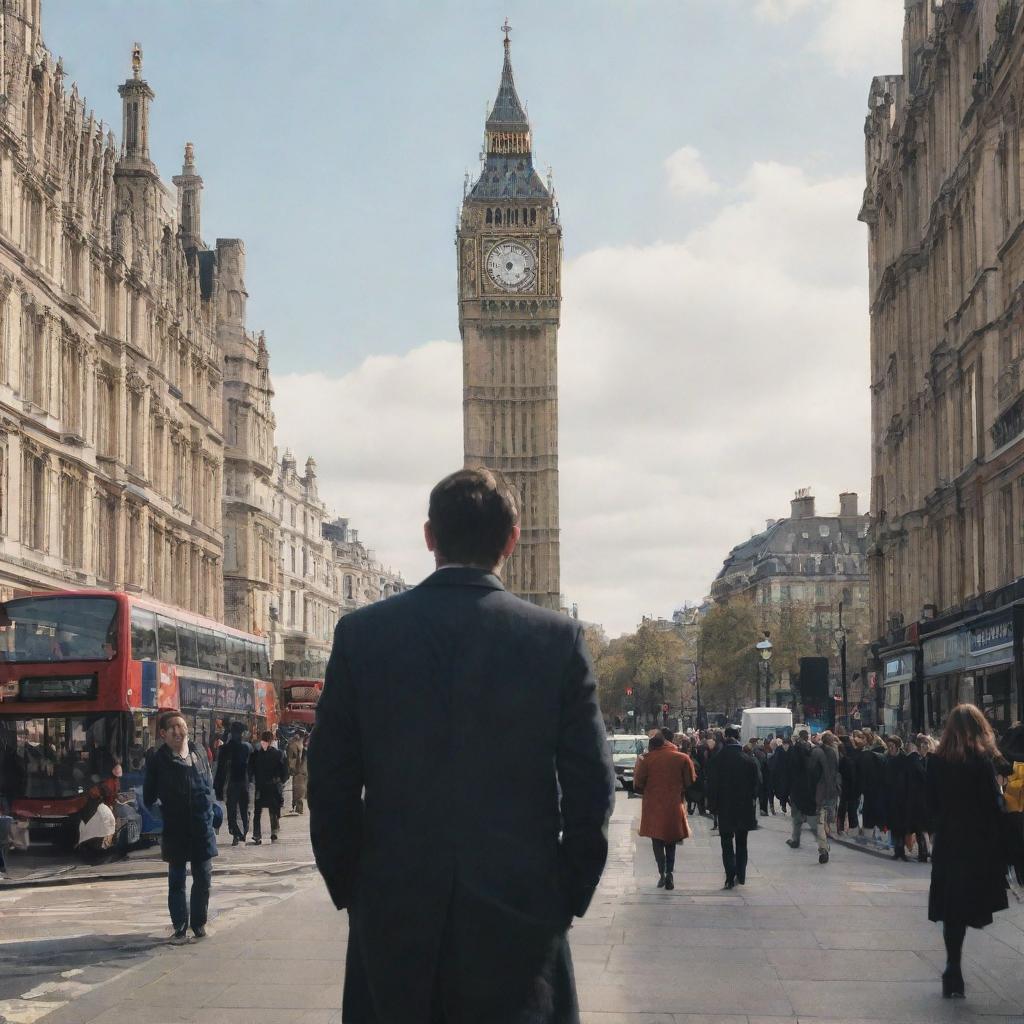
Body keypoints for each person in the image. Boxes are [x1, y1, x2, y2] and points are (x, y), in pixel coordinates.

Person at [308, 467, 615, 1024]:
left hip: (394, 909)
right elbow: (593, 788)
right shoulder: (557, 640)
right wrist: (564, 894)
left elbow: (328, 780)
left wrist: (356, 886)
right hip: (522, 913)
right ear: (513, 540)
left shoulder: (363, 635)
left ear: (430, 536)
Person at [927, 704, 1009, 999]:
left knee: (952, 909)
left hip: (949, 843)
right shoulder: (981, 761)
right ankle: (954, 965)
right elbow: (993, 806)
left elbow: (931, 804)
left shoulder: (936, 762)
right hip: (977, 844)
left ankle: (953, 964)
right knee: (970, 901)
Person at [143, 711, 218, 944]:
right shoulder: (158, 759)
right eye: (173, 728)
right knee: (177, 880)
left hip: (201, 827)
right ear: (164, 734)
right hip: (175, 830)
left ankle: (199, 923)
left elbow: (209, 785)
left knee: (203, 877)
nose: (178, 731)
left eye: (181, 726)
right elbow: (148, 796)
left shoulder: (198, 752)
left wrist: (211, 809)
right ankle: (179, 926)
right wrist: (165, 812)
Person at [633, 733, 695, 890]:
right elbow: (690, 781)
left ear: (652, 746)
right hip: (674, 804)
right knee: (671, 840)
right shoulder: (682, 758)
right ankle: (669, 872)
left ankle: (661, 872)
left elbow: (638, 783)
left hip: (653, 805)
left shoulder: (646, 760)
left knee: (657, 839)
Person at [707, 725, 759, 889]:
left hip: (725, 807)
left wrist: (713, 805)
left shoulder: (717, 759)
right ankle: (741, 874)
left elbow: (712, 785)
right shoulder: (748, 759)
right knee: (742, 842)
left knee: (726, 842)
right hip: (744, 808)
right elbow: (756, 786)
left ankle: (730, 875)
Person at [214, 722, 253, 846]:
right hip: (241, 783)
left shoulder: (225, 749)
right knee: (242, 810)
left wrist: (218, 788)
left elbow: (220, 770)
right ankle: (242, 832)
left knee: (232, 811)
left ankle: (236, 833)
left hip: (232, 784)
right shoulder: (245, 748)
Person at [249, 731, 288, 844]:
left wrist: (252, 780)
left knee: (257, 812)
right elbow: (284, 771)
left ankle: (257, 835)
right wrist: (281, 780)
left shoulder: (256, 754)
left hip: (260, 787)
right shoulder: (278, 754)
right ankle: (274, 832)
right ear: (271, 740)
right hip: (273, 786)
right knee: (273, 809)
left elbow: (250, 770)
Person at [809, 731, 841, 864]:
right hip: (830, 791)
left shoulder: (816, 752)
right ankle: (825, 841)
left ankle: (823, 847)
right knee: (828, 819)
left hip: (819, 792)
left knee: (820, 822)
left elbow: (811, 772)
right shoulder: (834, 753)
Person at [785, 731, 820, 854]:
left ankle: (795, 839)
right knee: (812, 817)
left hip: (796, 788)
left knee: (797, 816)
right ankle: (822, 845)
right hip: (809, 788)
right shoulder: (812, 751)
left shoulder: (793, 751)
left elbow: (788, 771)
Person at [836, 733, 859, 834]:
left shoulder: (844, 755)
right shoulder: (854, 752)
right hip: (853, 785)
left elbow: (840, 769)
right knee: (852, 807)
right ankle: (853, 828)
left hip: (845, 785)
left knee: (843, 806)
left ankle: (841, 827)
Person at [287, 730, 308, 814]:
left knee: (298, 789)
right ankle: (297, 808)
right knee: (299, 789)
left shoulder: (294, 744)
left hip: (299, 770)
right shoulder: (301, 744)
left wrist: (291, 768)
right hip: (302, 770)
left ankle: (298, 808)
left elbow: (292, 758)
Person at [769, 736, 791, 814]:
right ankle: (783, 804)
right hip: (784, 774)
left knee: (780, 790)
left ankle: (782, 804)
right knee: (785, 790)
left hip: (780, 774)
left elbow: (775, 762)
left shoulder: (778, 750)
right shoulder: (790, 749)